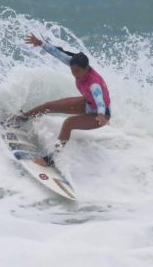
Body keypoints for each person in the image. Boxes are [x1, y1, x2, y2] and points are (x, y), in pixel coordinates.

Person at [14, 33, 111, 167]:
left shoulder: (93, 83)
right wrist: (41, 43)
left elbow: (100, 100)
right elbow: (58, 54)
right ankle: (22, 118)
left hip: (101, 115)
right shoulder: (75, 65)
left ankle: (51, 158)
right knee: (48, 106)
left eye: (78, 71)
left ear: (86, 69)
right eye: (73, 70)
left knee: (68, 123)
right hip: (87, 104)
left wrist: (100, 115)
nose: (75, 74)